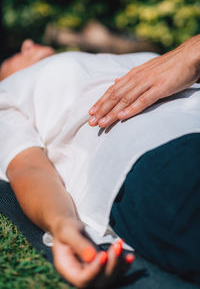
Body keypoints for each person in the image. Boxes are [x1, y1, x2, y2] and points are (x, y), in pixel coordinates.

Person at [0, 37, 200, 288]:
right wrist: (61, 223)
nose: (27, 42)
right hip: (152, 154)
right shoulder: (7, 94)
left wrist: (190, 53)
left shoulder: (134, 57)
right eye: (10, 58)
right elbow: (28, 168)